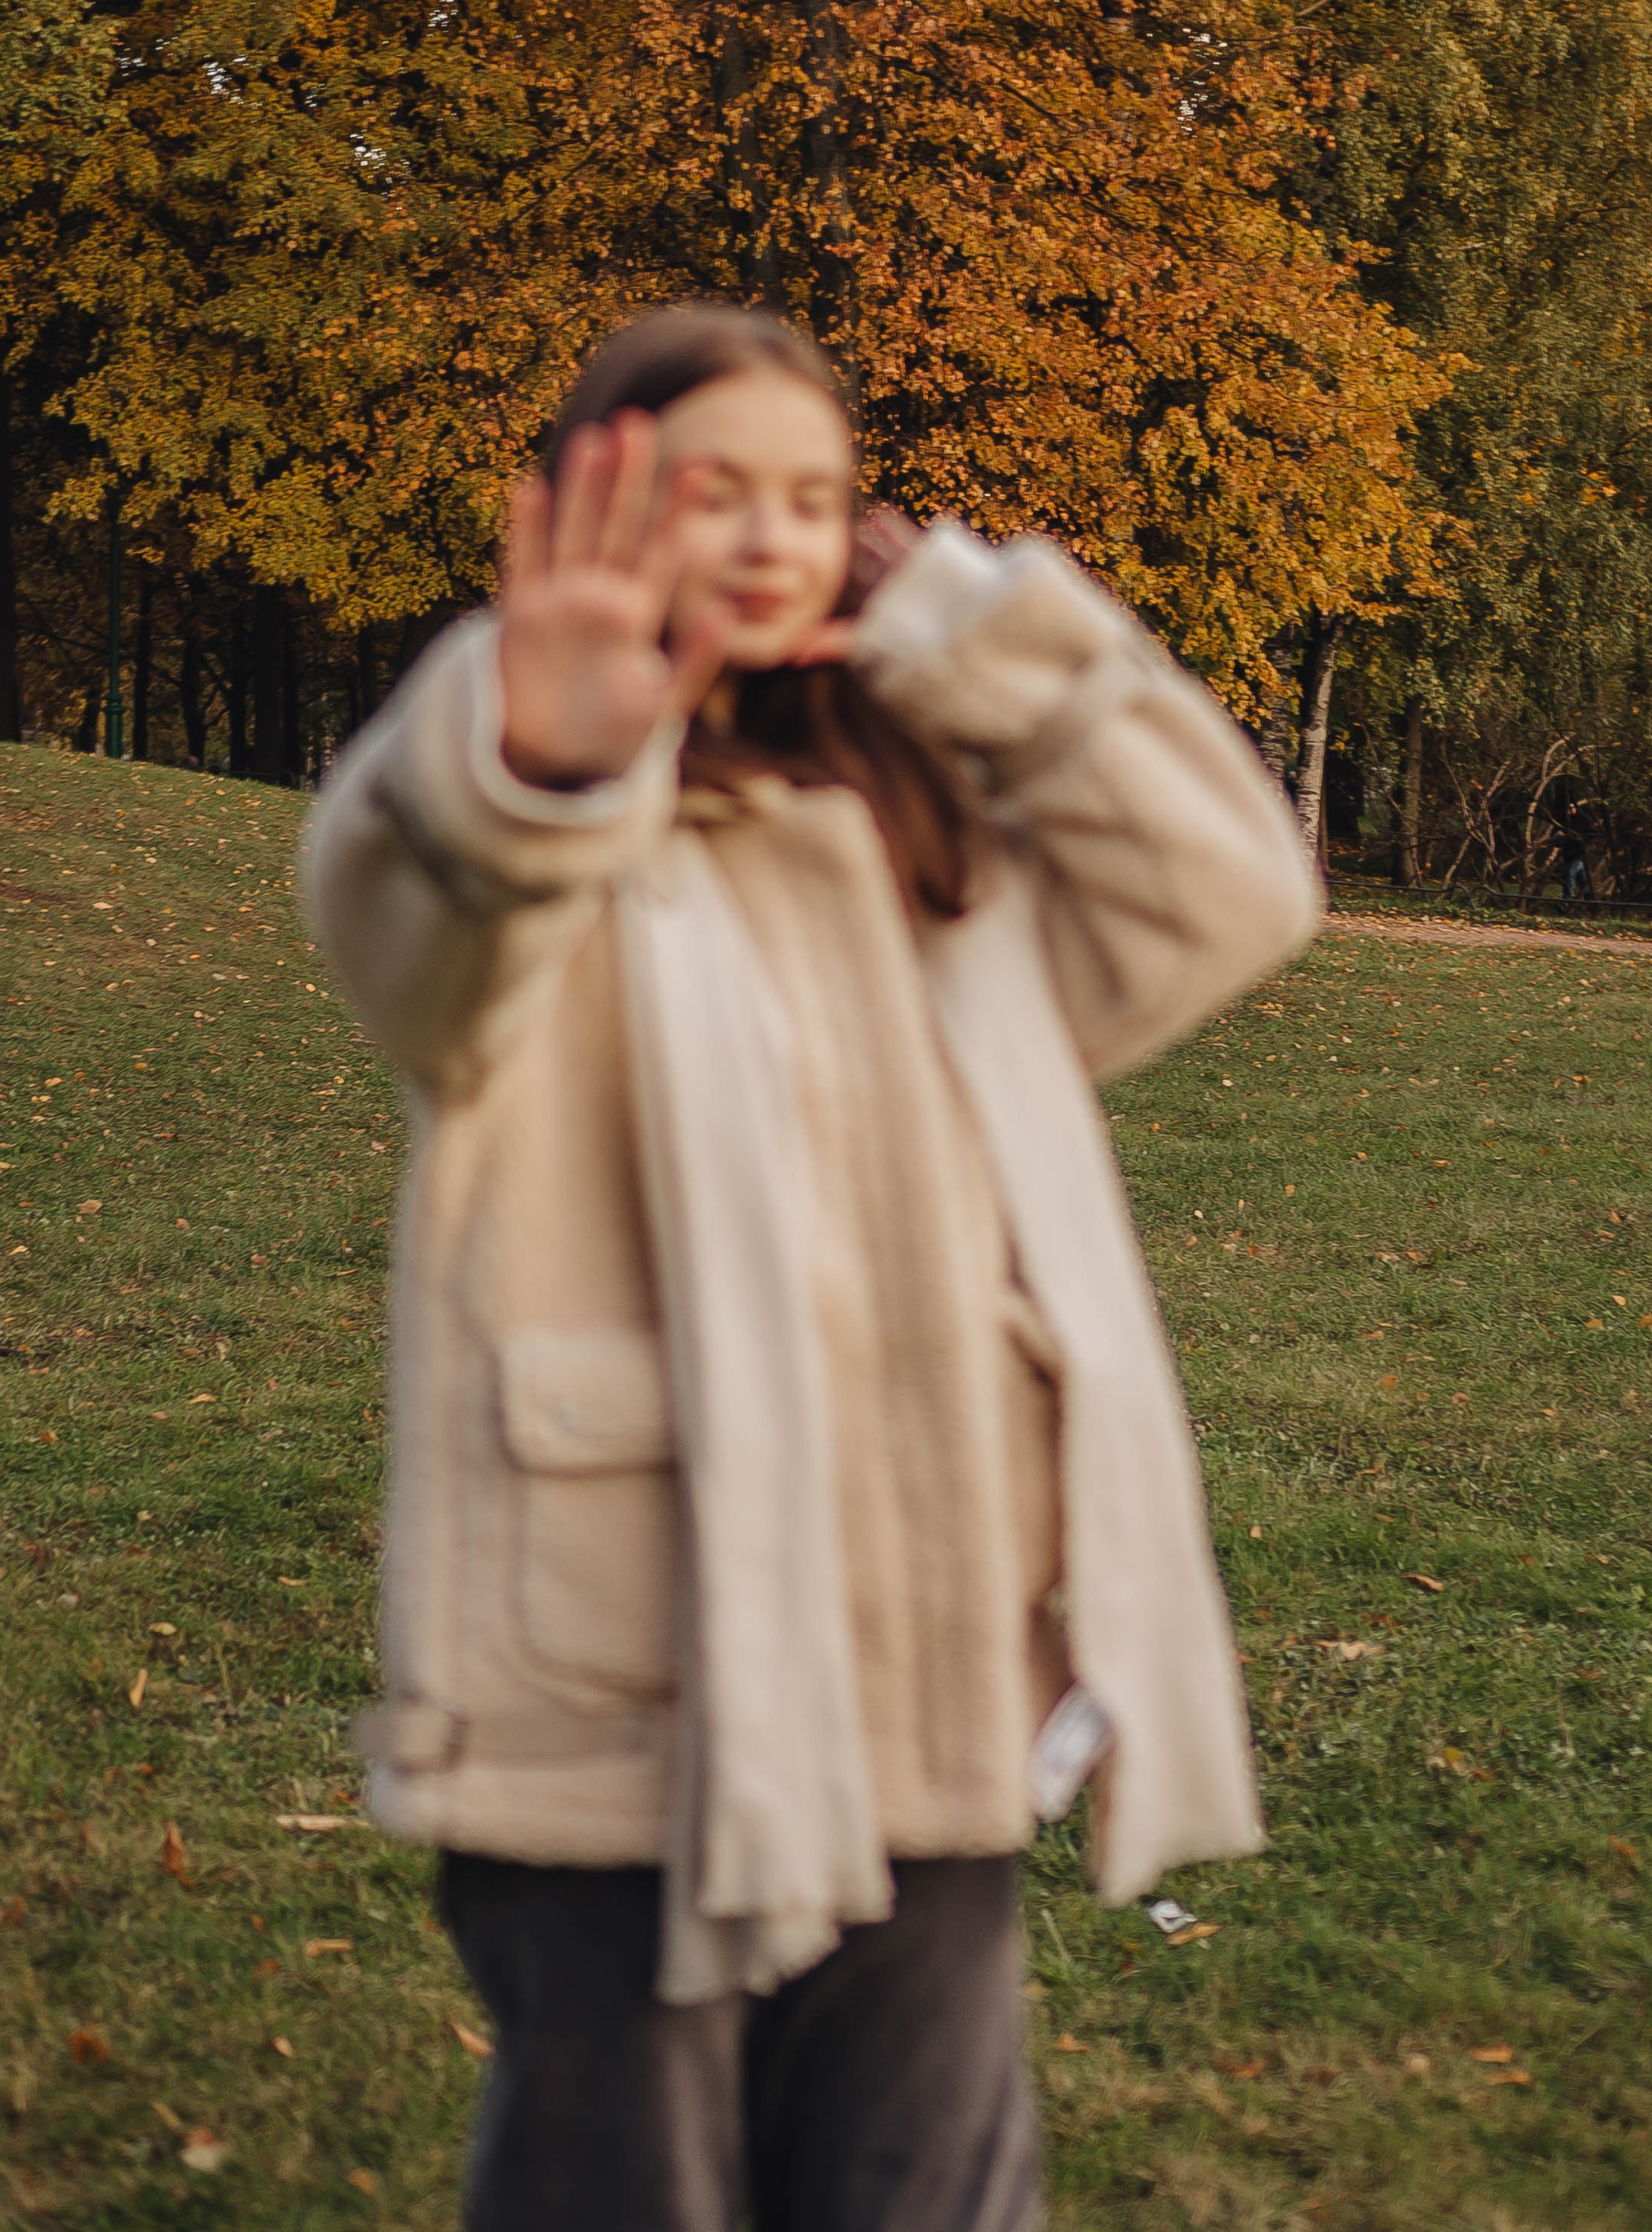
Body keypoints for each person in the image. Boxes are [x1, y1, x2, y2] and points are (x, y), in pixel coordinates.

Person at [301, 304, 1321, 2232]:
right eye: (713, 491)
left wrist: (975, 632)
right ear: (595, 509)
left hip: (926, 1660)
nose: (771, 532)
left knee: (922, 2191)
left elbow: (1235, 887)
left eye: (817, 496)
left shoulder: (926, 828)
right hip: (619, 1678)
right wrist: (546, 757)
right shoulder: (516, 799)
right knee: (627, 2191)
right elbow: (412, 951)